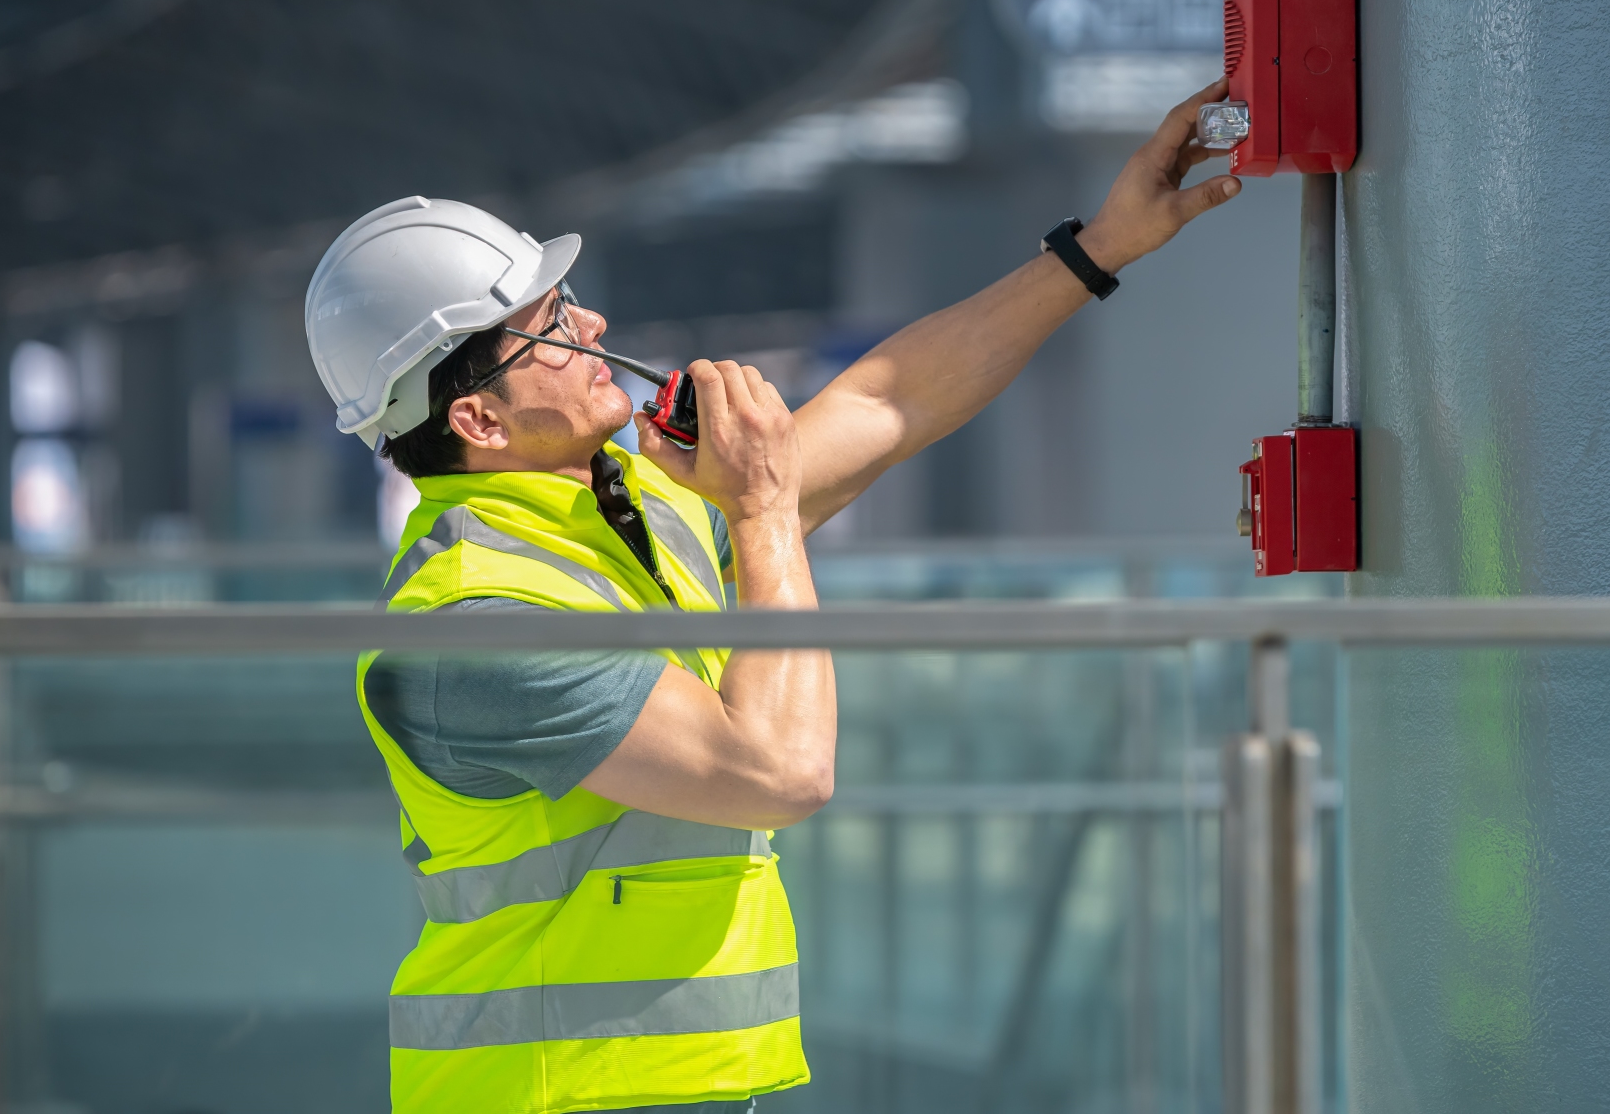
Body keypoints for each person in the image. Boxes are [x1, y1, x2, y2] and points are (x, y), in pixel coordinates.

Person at [301, 81, 1242, 1114]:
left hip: (658, 1088)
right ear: (478, 421)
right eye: (552, 328)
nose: (592, 323)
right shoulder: (473, 627)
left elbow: (891, 398)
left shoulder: (645, 510)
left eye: (568, 302)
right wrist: (758, 509)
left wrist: (1098, 247)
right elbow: (779, 771)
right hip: (543, 1095)